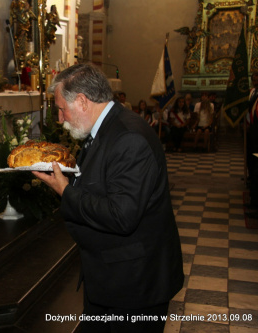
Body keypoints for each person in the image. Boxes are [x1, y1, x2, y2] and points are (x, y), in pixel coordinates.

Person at [32, 64, 184, 332]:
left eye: (61, 108)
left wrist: (65, 190)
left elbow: (121, 215)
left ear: (82, 101)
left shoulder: (128, 137)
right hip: (111, 276)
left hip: (135, 286)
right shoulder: (107, 128)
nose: (60, 118)